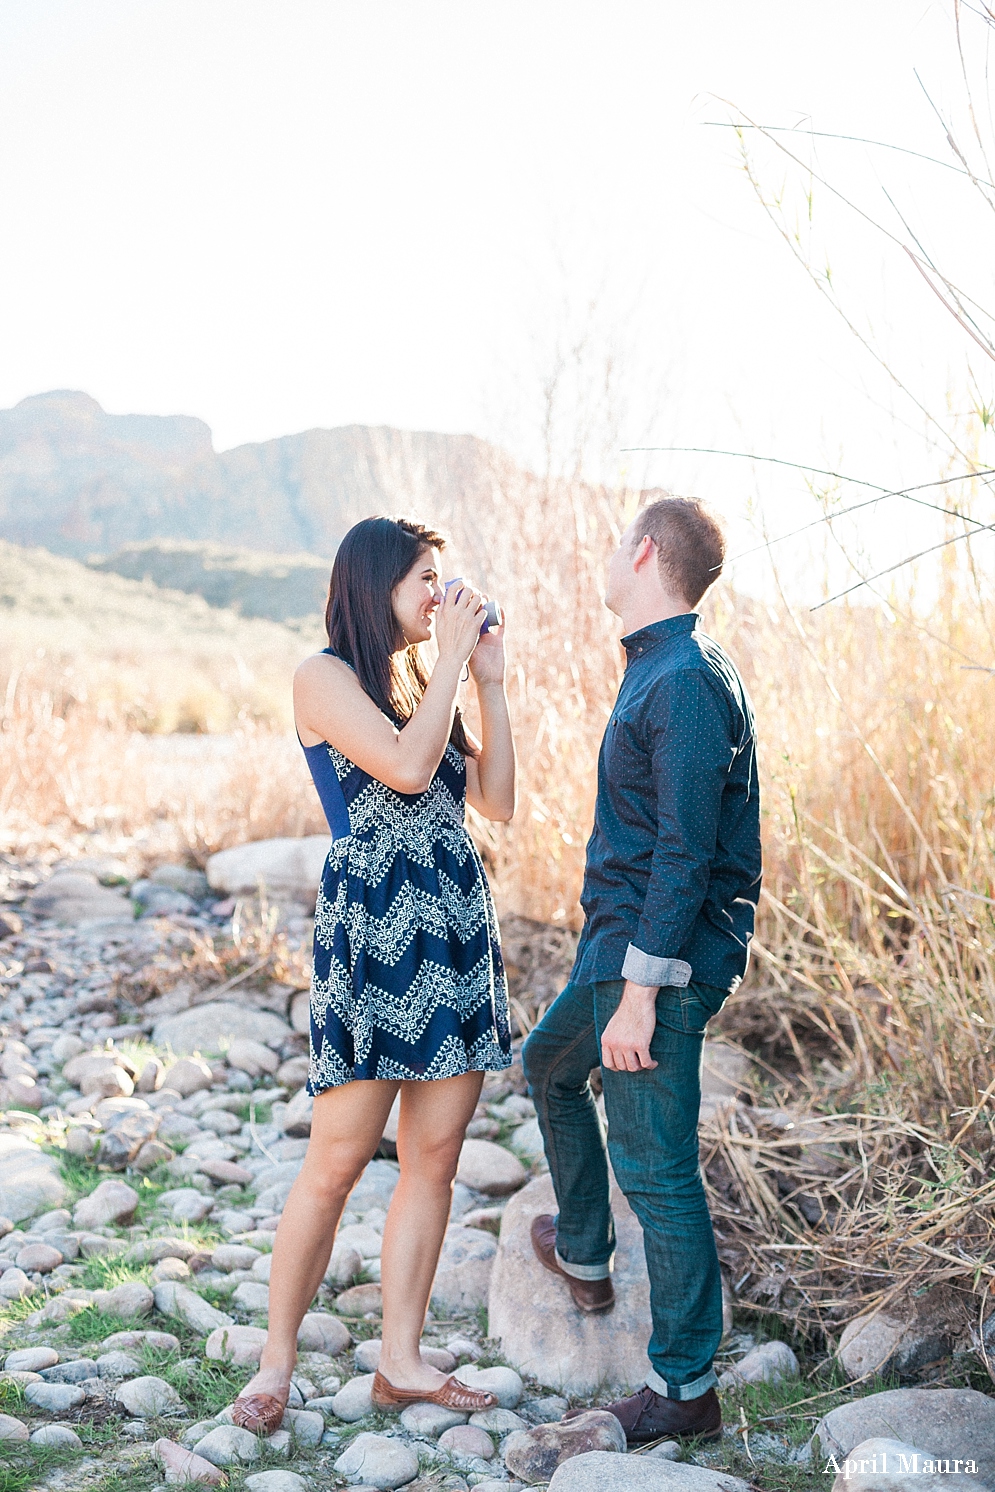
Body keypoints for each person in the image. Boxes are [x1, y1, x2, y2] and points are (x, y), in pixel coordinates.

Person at [232, 515, 516, 1432]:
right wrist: (444, 682)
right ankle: (275, 1364)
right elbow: (400, 768)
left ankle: (400, 1360)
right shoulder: (323, 678)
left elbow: (500, 804)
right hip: (375, 929)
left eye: (444, 578)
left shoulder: (417, 682)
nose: (441, 594)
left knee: (432, 1159)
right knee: (337, 1160)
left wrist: (490, 683)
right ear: (375, 582)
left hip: (451, 926)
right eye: (426, 578)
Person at [522, 496, 761, 1445]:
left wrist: (639, 995)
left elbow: (684, 853)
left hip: (652, 967)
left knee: (658, 1175)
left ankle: (684, 1390)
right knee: (546, 1067)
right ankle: (582, 1249)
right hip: (616, 952)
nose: (606, 550)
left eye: (617, 536)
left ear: (646, 551)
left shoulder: (686, 680)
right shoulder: (658, 669)